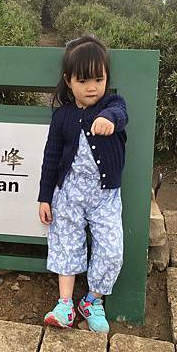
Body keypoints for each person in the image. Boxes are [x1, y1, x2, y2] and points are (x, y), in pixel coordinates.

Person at [38, 35, 128, 334]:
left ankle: (92, 301)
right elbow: (51, 158)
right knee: (65, 242)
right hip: (68, 194)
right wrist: (45, 197)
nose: (92, 87)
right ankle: (64, 304)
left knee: (111, 249)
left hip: (105, 196)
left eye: (99, 79)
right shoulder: (62, 116)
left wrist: (108, 119)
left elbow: (120, 114)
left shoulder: (112, 105)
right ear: (68, 80)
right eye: (83, 80)